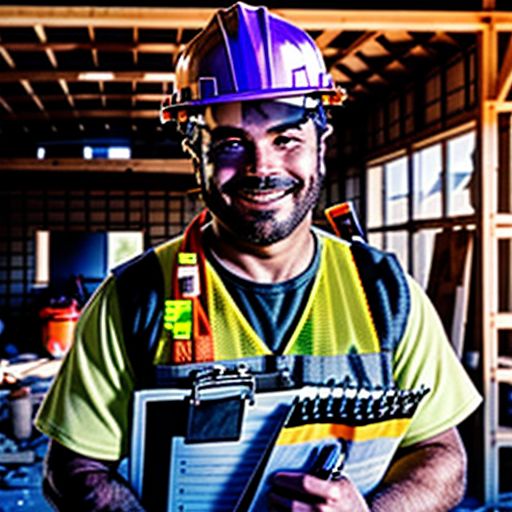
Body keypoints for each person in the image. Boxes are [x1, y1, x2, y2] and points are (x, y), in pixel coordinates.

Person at [35, 3, 482, 511]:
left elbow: (442, 456)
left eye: (286, 138)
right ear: (194, 152)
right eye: (230, 143)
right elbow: (72, 467)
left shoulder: (384, 293)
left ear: (320, 144)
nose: (260, 167)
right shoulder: (134, 299)